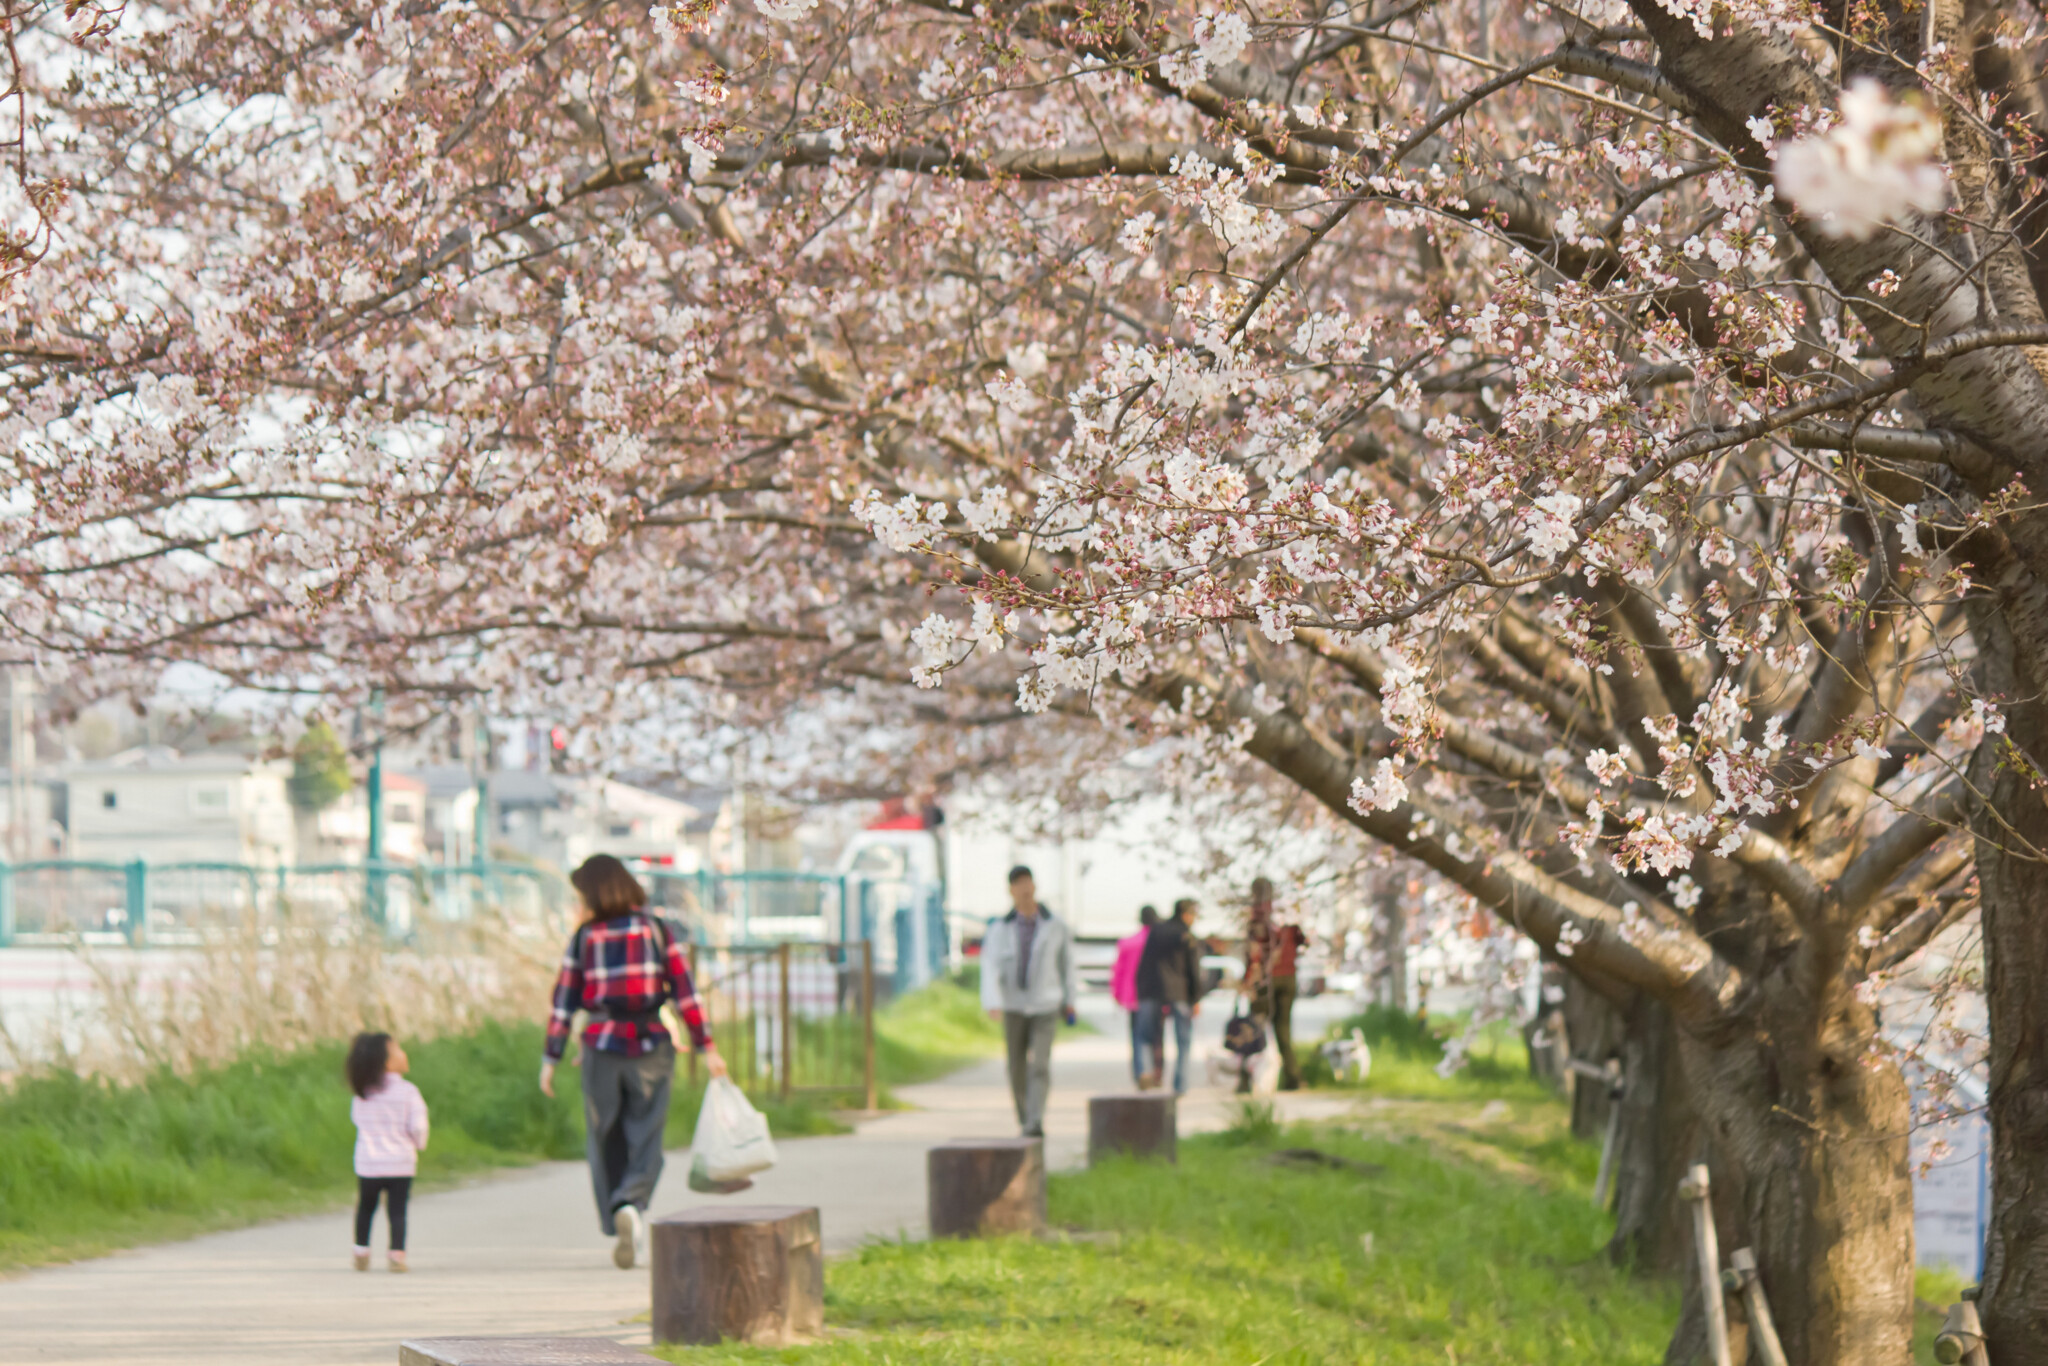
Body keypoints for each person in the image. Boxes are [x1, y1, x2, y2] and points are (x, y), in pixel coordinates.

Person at [541, 854, 726, 1270]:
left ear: (595, 893)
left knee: (604, 1137)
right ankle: (633, 1202)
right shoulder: (656, 930)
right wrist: (706, 1046)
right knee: (646, 1136)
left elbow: (564, 1002)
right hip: (651, 1046)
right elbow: (685, 992)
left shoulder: (585, 937)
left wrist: (550, 1057)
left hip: (600, 1045)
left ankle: (617, 1212)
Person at [980, 865, 1077, 1137]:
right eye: (1017, 884)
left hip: (1046, 1003)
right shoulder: (1000, 928)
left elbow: (1067, 964)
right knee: (1016, 1065)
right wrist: (992, 1001)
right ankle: (1024, 1117)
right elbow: (990, 966)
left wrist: (1071, 999)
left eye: (1027, 883)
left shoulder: (1055, 925)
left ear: (1034, 886)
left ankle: (1035, 1119)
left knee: (1040, 1064)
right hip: (1013, 1005)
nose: (1023, 889)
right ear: (1010, 891)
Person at [346, 1031, 429, 1273]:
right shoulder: (408, 1092)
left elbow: (357, 1121)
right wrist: (418, 1143)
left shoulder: (363, 1094)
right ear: (388, 1062)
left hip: (368, 1163)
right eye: (398, 1050)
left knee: (365, 1208)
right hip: (400, 1163)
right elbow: (418, 1126)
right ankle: (396, 1255)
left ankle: (361, 1251)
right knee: (398, 1211)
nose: (404, 1053)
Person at [1246, 877, 1309, 1090]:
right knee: (1283, 1029)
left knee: (1254, 1027)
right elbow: (1304, 940)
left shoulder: (1258, 915)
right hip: (1289, 977)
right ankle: (1294, 1078)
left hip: (1267, 979)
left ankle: (1246, 1080)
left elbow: (1253, 952)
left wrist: (1248, 981)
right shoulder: (1288, 913)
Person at [1135, 898, 1204, 1093]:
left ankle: (1146, 1072)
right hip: (1179, 992)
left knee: (1145, 1036)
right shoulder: (1186, 935)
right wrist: (1196, 998)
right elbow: (1193, 969)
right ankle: (1180, 1085)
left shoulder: (1156, 930)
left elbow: (1145, 962)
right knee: (1183, 1040)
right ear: (1186, 914)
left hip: (1151, 990)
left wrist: (1141, 990)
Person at [1111, 905, 1159, 1085]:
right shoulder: (1157, 942)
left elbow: (1118, 970)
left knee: (1137, 1035)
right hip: (1153, 995)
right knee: (1153, 1036)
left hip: (1131, 995)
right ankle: (1154, 1071)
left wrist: (1116, 993)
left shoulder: (1128, 942)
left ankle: (1141, 1072)